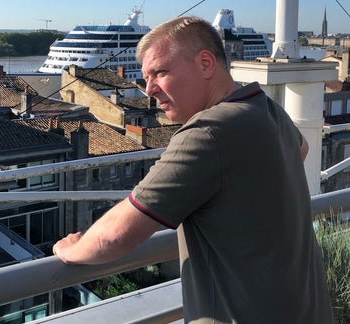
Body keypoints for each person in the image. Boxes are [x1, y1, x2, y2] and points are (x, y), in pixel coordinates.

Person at [53, 16, 333, 323]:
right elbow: (301, 149)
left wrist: (71, 250)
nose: (149, 90)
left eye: (160, 72)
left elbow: (117, 235)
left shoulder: (209, 131)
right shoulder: (266, 109)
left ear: (205, 64)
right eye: (146, 78)